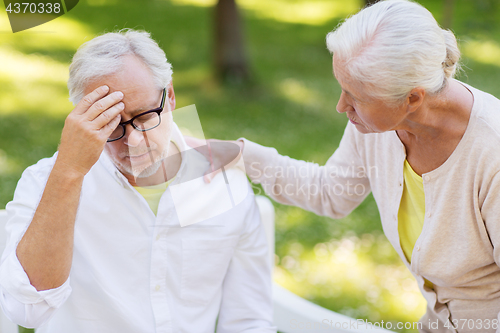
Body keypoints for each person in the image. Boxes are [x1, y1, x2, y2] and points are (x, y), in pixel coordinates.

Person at [198, 0, 500, 332]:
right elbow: (331, 193)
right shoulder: (378, 125)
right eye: (343, 89)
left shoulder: (492, 154)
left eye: (355, 97)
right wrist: (240, 156)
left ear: (413, 98)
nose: (342, 106)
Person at [0, 29, 276, 333]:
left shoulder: (226, 185)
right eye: (111, 124)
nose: (132, 141)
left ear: (170, 96)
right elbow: (27, 310)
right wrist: (68, 173)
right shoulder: (47, 182)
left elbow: (248, 320)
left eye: (144, 117)